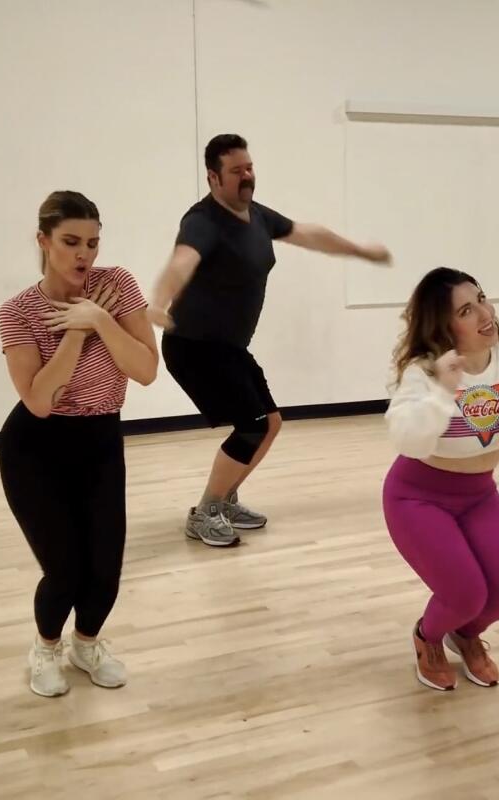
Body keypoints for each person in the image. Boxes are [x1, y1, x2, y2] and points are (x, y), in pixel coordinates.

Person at [147, 133, 391, 547]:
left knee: (271, 423)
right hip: (194, 347)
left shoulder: (256, 216)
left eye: (249, 168)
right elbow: (182, 261)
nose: (246, 176)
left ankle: (223, 500)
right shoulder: (203, 221)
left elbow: (308, 233)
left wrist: (359, 251)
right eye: (236, 171)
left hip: (229, 348)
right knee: (252, 426)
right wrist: (158, 300)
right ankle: (205, 511)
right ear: (212, 177)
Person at [383, 267, 499, 691]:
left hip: (478, 495)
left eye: (482, 299)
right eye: (467, 310)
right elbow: (406, 439)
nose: (486, 314)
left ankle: (465, 634)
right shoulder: (427, 369)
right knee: (466, 593)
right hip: (417, 498)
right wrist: (441, 393)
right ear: (444, 325)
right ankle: (428, 636)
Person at [0, 191, 158, 698]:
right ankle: (45, 649)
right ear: (43, 241)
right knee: (64, 570)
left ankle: (86, 644)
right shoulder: (18, 311)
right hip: (35, 447)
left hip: (101, 438)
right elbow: (40, 400)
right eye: (69, 242)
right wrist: (74, 334)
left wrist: (100, 320)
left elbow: (146, 370)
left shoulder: (117, 286)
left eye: (91, 242)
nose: (82, 254)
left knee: (105, 567)